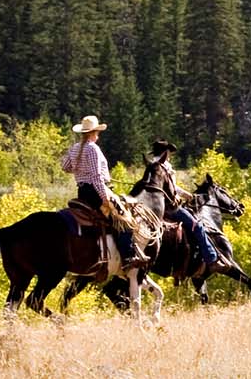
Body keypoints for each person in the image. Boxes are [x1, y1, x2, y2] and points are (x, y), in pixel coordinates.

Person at [60, 115, 147, 269]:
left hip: (82, 192)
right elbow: (96, 178)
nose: (98, 135)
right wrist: (104, 197)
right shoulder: (93, 148)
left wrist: (79, 169)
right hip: (95, 191)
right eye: (97, 132)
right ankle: (127, 257)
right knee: (124, 219)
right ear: (93, 133)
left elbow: (66, 167)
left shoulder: (74, 148)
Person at [144, 139, 220, 277]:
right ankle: (211, 258)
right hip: (169, 208)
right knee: (196, 226)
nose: (170, 155)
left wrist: (186, 194)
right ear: (165, 153)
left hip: (153, 207)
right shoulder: (163, 166)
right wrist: (182, 196)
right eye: (169, 152)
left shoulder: (151, 165)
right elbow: (171, 188)